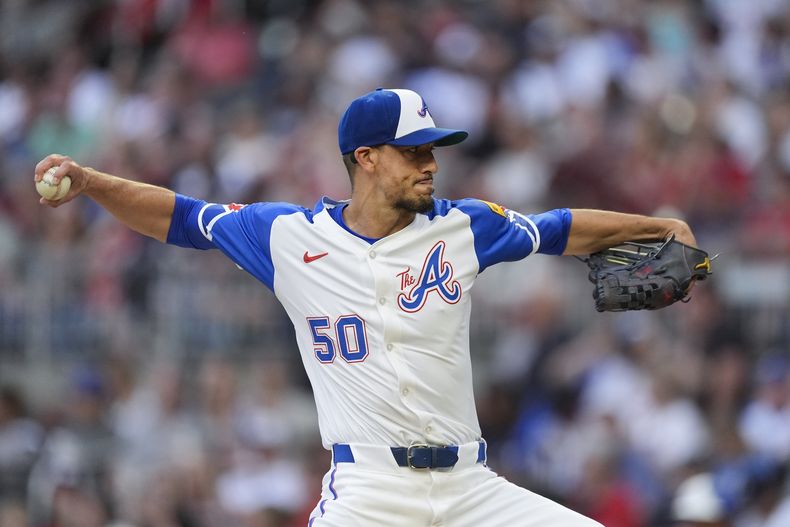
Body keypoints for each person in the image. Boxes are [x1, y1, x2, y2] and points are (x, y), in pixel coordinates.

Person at [36, 88, 698, 526]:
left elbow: (561, 227)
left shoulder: (466, 225)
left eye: (433, 148)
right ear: (367, 159)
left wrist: (657, 227)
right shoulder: (287, 236)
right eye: (414, 151)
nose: (430, 163)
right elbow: (178, 216)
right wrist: (92, 181)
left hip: (474, 486)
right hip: (370, 493)